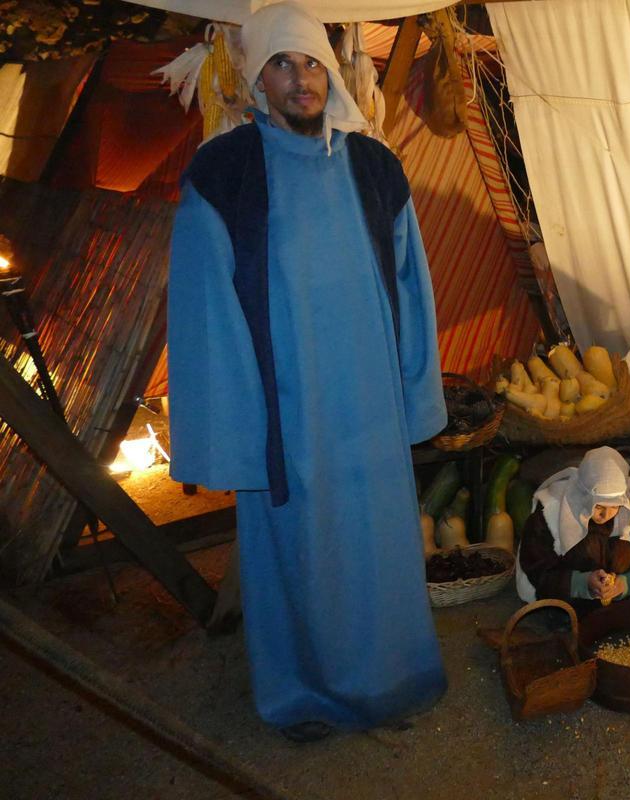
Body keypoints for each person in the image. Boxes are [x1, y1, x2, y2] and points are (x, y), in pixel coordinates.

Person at [167, 2, 446, 742]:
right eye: (283, 65)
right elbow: (204, 313)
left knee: (381, 549)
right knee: (306, 557)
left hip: (371, 414)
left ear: (332, 71)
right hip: (288, 417)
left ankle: (396, 678)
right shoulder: (223, 176)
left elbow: (413, 287)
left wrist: (416, 394)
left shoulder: (374, 168)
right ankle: (310, 693)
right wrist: (232, 433)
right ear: (256, 79)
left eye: (312, 63)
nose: (302, 80)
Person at [515, 447, 630, 608]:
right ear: (584, 495)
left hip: (617, 608)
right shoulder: (550, 514)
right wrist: (582, 583)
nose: (606, 515)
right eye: (598, 507)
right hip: (565, 607)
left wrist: (625, 584)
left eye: (614, 507)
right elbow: (536, 569)